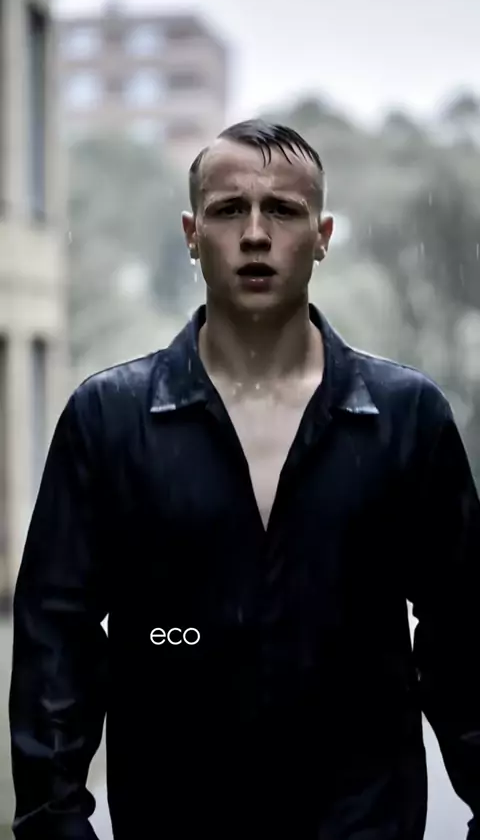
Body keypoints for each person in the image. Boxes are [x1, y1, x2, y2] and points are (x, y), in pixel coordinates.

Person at [8, 119, 480, 840]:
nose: (255, 234)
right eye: (230, 210)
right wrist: (54, 825)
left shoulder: (406, 417)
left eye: (283, 210)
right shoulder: (108, 420)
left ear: (321, 236)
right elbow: (54, 647)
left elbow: (464, 638)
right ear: (192, 234)